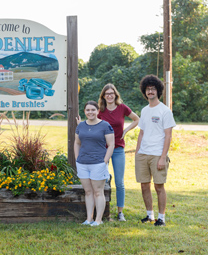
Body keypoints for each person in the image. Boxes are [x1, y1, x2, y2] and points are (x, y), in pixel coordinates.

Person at [135, 75, 176, 227]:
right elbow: (142, 132)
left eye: (153, 89)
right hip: (143, 154)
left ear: (158, 91)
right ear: (144, 91)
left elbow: (168, 135)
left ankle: (161, 218)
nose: (150, 92)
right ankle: (149, 215)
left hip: (157, 154)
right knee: (144, 185)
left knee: (159, 186)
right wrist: (138, 152)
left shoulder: (165, 111)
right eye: (148, 89)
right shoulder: (145, 110)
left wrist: (162, 157)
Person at [97, 83, 139, 221]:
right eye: (107, 93)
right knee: (102, 180)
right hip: (103, 149)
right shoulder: (100, 110)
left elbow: (136, 119)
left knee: (120, 182)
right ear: (103, 96)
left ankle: (120, 212)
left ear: (115, 95)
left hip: (118, 148)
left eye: (112, 93)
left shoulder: (122, 108)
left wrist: (126, 130)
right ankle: (102, 210)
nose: (109, 95)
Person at [75, 101, 115, 226]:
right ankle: (89, 219)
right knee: (88, 192)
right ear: (85, 112)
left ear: (98, 111)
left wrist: (105, 161)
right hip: (83, 163)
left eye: (93, 110)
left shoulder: (105, 125)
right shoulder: (80, 126)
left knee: (98, 191)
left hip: (98, 163)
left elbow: (111, 144)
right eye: (88, 110)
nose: (90, 112)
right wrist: (77, 159)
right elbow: (77, 143)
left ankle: (98, 220)